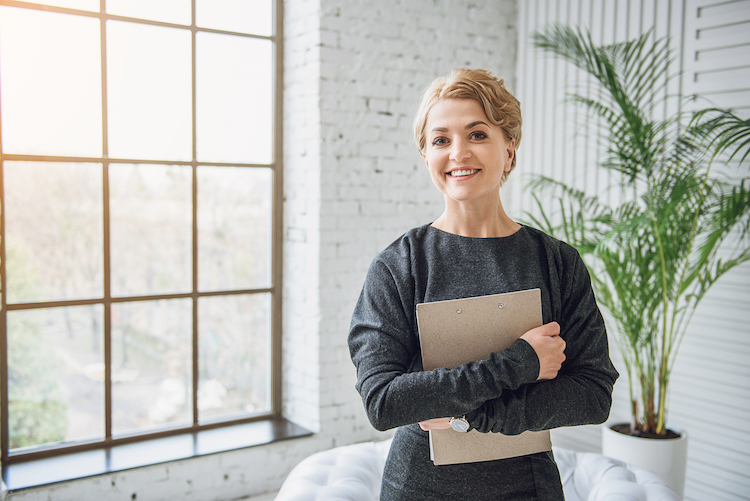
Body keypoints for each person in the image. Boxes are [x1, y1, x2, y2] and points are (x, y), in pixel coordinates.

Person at [347, 68, 619, 500]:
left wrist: (464, 417)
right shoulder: (399, 265)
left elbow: (593, 393)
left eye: (477, 134)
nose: (458, 153)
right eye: (440, 140)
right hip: (418, 487)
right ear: (426, 158)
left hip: (527, 488)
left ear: (509, 150)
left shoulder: (556, 261)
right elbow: (384, 402)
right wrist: (521, 362)